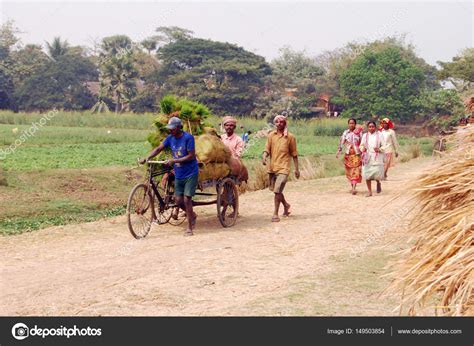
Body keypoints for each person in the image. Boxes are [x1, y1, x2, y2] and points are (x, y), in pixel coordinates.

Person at [140, 117, 198, 236]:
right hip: (179, 173)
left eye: (172, 129)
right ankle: (192, 215)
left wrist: (174, 160)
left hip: (190, 173)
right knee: (178, 200)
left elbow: (191, 156)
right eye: (169, 129)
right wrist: (147, 158)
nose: (170, 131)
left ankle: (189, 227)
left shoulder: (188, 138)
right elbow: (158, 148)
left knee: (187, 199)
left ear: (178, 128)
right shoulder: (170, 138)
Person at [262, 114, 300, 222]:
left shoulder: (290, 137)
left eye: (282, 122)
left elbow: (294, 154)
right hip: (273, 167)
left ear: (285, 123)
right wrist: (264, 157)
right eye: (278, 122)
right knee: (275, 190)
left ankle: (275, 214)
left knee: (277, 190)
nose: (280, 124)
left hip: (284, 167)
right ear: (275, 123)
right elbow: (267, 149)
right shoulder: (271, 136)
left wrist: (297, 169)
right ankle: (286, 205)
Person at [336, 118, 362, 195]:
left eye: (353, 123)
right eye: (350, 123)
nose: (351, 124)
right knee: (349, 171)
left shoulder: (359, 133)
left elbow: (362, 142)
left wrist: (363, 152)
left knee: (355, 171)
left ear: (355, 124)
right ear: (348, 124)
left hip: (356, 155)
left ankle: (354, 188)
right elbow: (342, 142)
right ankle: (352, 186)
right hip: (348, 155)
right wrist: (339, 151)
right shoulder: (345, 133)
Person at [360, 121, 386, 197]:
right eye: (370, 127)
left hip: (377, 157)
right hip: (367, 157)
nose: (371, 128)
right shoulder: (365, 135)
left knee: (376, 174)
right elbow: (361, 145)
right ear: (368, 128)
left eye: (373, 126)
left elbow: (384, 146)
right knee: (367, 174)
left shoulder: (379, 135)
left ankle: (378, 182)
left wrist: (379, 149)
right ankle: (370, 192)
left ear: (375, 127)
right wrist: (363, 149)